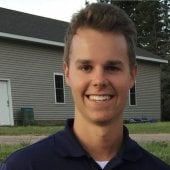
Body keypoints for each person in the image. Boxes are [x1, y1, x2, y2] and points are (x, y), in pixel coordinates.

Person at [1, 3, 170, 170]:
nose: (99, 80)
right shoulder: (24, 166)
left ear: (132, 75)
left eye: (112, 67)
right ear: (67, 73)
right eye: (86, 67)